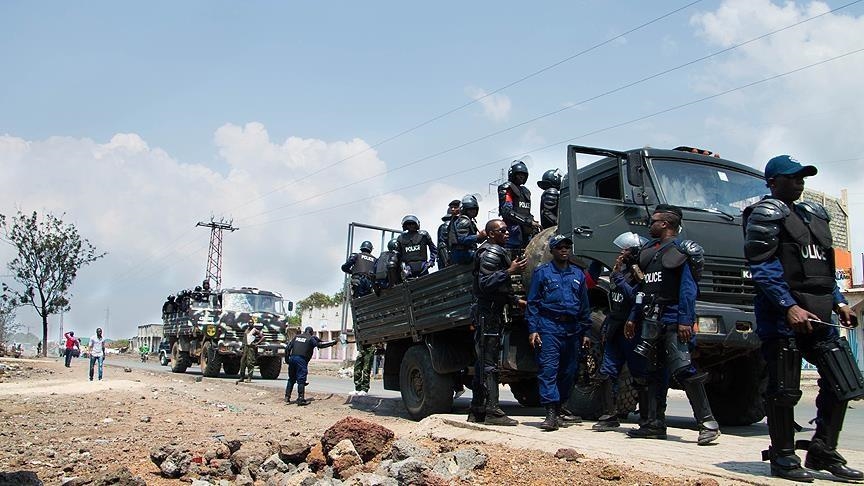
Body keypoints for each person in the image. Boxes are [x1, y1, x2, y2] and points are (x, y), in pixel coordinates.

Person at [743, 155, 864, 482]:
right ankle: (783, 457)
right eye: (792, 177)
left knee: (844, 383)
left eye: (802, 177)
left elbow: (822, 268)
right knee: (784, 389)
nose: (799, 182)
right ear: (773, 182)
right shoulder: (764, 214)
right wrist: (788, 306)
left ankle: (823, 450)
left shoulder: (813, 215)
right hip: (783, 317)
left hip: (820, 312)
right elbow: (762, 268)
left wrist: (840, 302)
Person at [624, 204, 720, 446]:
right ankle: (654, 424)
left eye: (654, 221)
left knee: (683, 369)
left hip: (673, 320)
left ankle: (708, 424)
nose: (650, 224)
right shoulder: (650, 251)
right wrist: (633, 316)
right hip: (651, 321)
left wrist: (685, 320)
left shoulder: (680, 251)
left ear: (665, 223)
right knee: (652, 373)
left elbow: (688, 290)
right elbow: (643, 290)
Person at [525, 234, 592, 431]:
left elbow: (584, 305)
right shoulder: (542, 273)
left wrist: (586, 332)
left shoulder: (578, 274)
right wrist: (533, 329)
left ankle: (561, 407)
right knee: (548, 370)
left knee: (569, 371)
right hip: (549, 327)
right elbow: (533, 303)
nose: (564, 250)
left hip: (572, 329)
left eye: (567, 247)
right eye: (560, 247)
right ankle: (551, 413)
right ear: (552, 250)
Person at [468, 219, 527, 426]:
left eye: (507, 230)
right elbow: (485, 283)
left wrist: (515, 301)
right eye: (502, 230)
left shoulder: (496, 251)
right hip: (488, 314)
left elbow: (500, 287)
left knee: (483, 362)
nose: (507, 233)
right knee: (489, 364)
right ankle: (492, 411)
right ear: (491, 234)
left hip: (491, 312)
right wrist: (510, 271)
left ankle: (477, 409)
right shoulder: (490, 253)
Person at [593, 232, 646, 431]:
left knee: (639, 373)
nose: (621, 253)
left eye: (626, 250)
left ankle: (648, 418)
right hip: (615, 327)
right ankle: (609, 414)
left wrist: (619, 278)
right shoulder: (619, 270)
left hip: (632, 330)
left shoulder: (639, 274)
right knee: (607, 372)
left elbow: (635, 297)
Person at [284, 327, 337, 405]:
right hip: (301, 360)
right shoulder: (310, 339)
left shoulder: (296, 337)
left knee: (291, 379)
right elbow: (320, 345)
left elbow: (287, 348)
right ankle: (301, 399)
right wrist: (332, 343)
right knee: (301, 379)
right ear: (311, 333)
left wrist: (287, 360)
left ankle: (287, 397)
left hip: (292, 358)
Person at [497, 160, 539, 250]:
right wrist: (529, 222)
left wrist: (533, 221)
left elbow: (526, 211)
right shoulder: (508, 188)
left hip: (526, 233)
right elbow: (507, 211)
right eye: (519, 174)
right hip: (512, 233)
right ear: (512, 174)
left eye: (524, 175)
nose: (521, 176)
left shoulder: (525, 191)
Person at [395, 215, 437, 279]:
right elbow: (398, 255)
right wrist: (402, 267)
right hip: (408, 268)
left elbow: (433, 249)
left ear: (416, 225)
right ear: (406, 226)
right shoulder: (401, 238)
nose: (411, 226)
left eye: (413, 224)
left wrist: (431, 261)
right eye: (409, 224)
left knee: (427, 283)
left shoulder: (423, 235)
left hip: (423, 266)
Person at [448, 195, 486, 265]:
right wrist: (478, 236)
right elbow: (462, 239)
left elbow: (476, 240)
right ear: (465, 210)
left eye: (474, 209)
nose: (473, 211)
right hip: (463, 254)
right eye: (470, 209)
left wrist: (484, 236)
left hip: (466, 252)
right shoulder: (464, 221)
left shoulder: (470, 221)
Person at [437, 200, 461, 270]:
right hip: (451, 260)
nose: (453, 209)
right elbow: (442, 245)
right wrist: (447, 262)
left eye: (455, 207)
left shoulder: (463, 222)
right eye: (452, 208)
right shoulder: (446, 226)